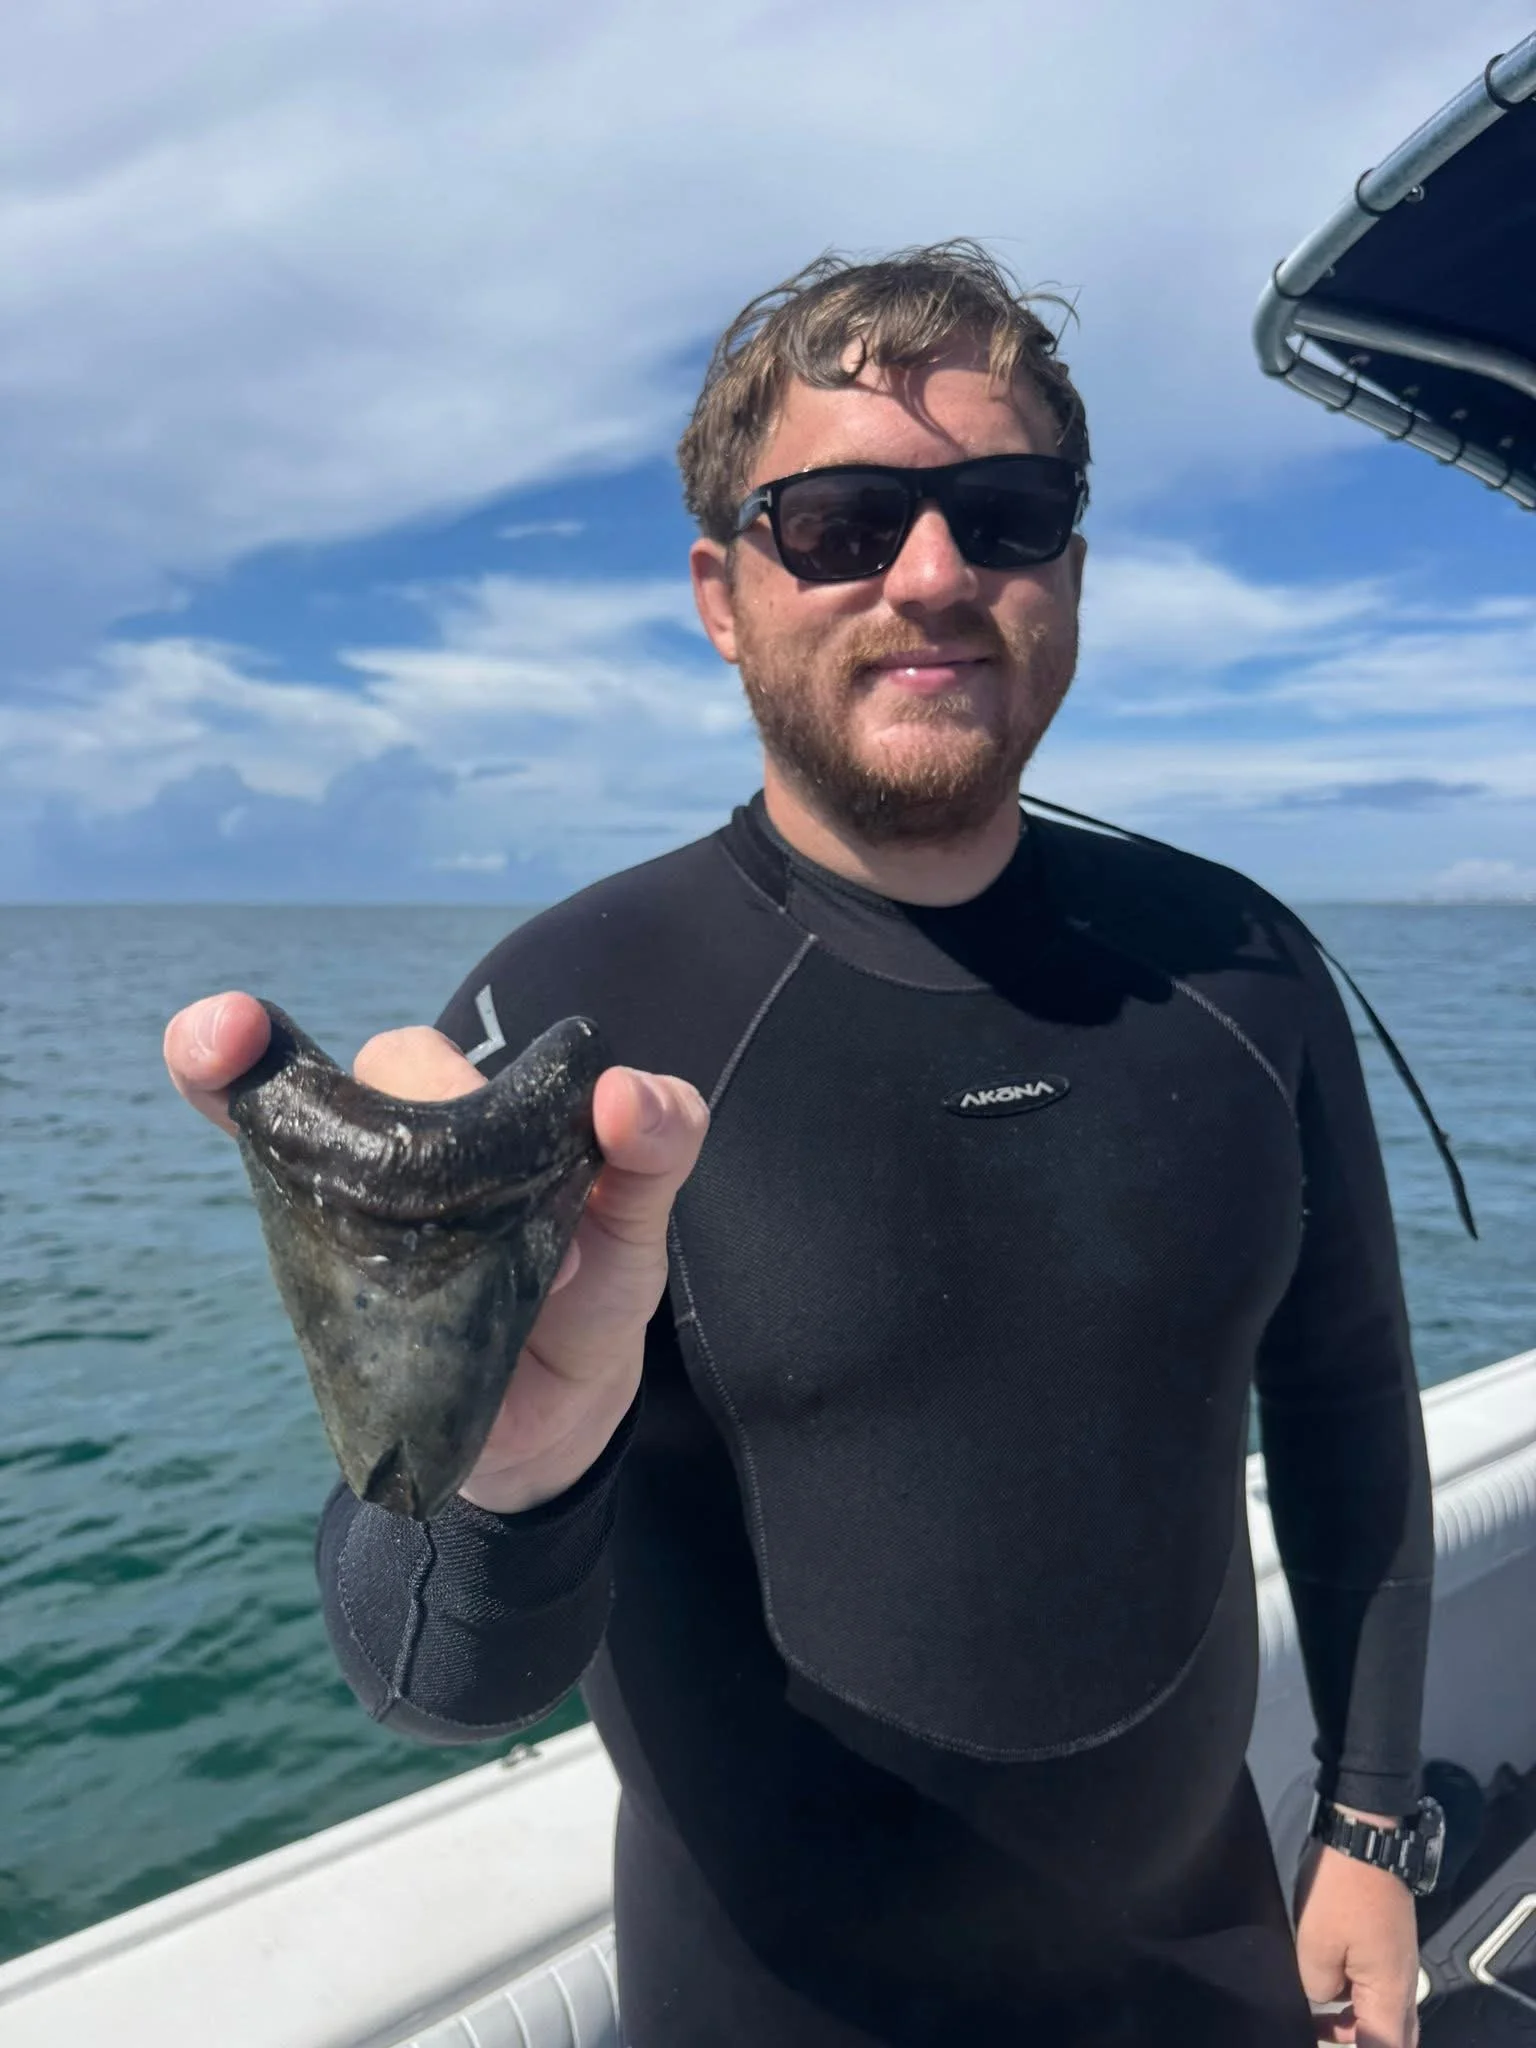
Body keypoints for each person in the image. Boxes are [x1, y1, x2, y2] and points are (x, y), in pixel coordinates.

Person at [165, 242, 1433, 2047]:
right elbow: (431, 1674)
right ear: (721, 592)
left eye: (1001, 513)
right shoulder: (565, 1021)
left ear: (1068, 569)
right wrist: (503, 1471)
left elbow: (1348, 1404)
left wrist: (1370, 1827)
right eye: (838, 519)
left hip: (1210, 1982)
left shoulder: (1242, 973)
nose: (931, 576)